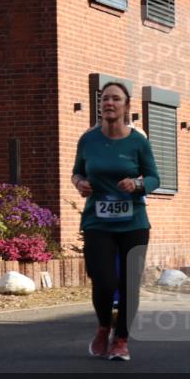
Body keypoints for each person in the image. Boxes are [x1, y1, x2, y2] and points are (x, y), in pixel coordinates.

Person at [72, 82, 160, 361]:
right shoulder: (88, 139)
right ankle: (103, 327)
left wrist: (136, 183)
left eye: (115, 99)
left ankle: (121, 339)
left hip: (133, 222)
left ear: (126, 106)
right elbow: (76, 172)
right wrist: (80, 183)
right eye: (105, 98)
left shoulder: (138, 141)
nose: (109, 103)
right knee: (104, 280)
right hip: (97, 221)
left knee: (130, 284)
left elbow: (155, 178)